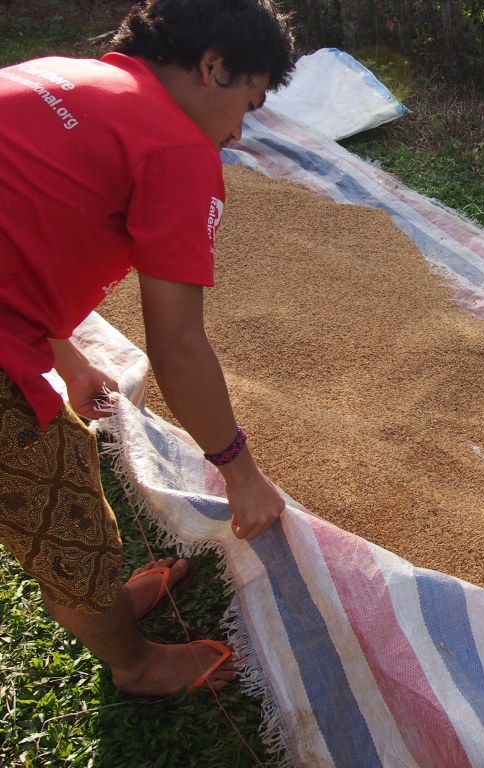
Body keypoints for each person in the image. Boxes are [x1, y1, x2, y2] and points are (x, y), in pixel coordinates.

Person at [0, 0, 295, 697]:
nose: (237, 132)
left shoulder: (57, 74)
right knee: (63, 511)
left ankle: (103, 599)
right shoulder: (174, 147)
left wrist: (67, 360)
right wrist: (240, 473)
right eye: (246, 105)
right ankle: (136, 665)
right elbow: (179, 345)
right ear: (212, 67)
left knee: (65, 458)